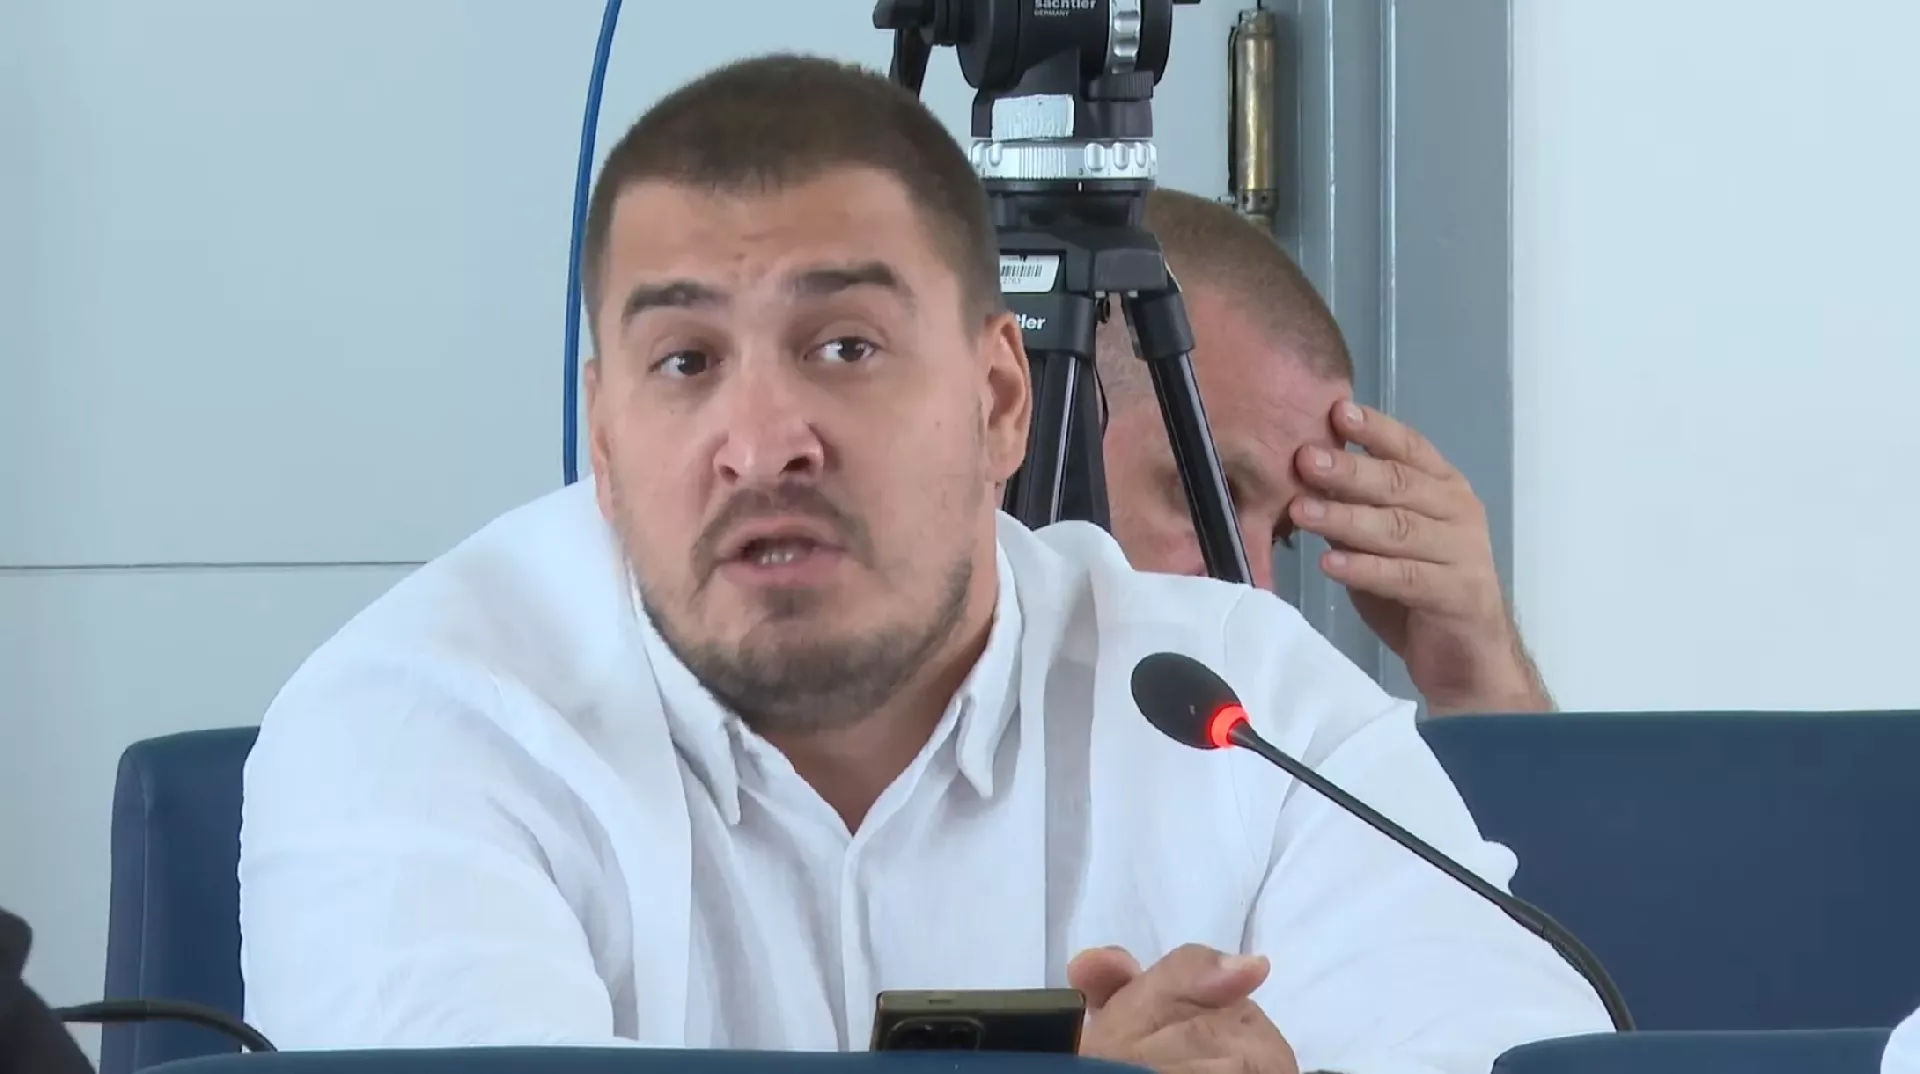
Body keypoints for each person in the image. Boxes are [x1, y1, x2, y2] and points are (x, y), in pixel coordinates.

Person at [239, 54, 1610, 1071]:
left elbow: (1508, 1045)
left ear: (999, 399)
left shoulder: (1243, 705)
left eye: (845, 346)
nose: (762, 444)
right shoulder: (420, 717)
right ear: (603, 440)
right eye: (686, 362)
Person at [1099, 189, 1554, 716]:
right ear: (1029, 419)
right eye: (1205, 495)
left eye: (1282, 537)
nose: (1257, 588)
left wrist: (1483, 688)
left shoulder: (1258, 737)